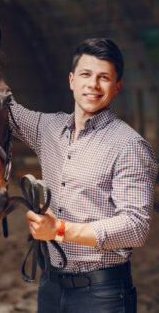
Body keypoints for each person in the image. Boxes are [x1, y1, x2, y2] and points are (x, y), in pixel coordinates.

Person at [9, 38, 157, 313]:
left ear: (117, 87)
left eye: (104, 78)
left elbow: (136, 227)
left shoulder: (129, 146)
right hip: (50, 286)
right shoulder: (48, 128)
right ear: (72, 80)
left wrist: (60, 231)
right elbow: (5, 110)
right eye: (86, 75)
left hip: (102, 294)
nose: (93, 84)